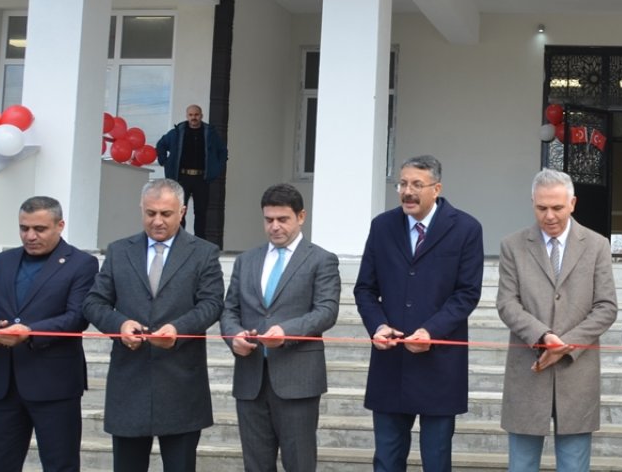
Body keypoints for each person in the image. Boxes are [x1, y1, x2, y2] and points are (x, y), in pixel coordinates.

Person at [83, 178, 225, 472]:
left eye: (166, 214)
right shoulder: (119, 251)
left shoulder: (204, 253)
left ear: (183, 211)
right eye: (150, 213)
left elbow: (211, 304)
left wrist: (178, 329)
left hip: (181, 382)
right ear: (141, 210)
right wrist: (119, 325)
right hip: (129, 380)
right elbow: (94, 303)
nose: (157, 221)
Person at [355, 155, 484, 472]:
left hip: (439, 363)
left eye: (416, 184)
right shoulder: (382, 226)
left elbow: (467, 293)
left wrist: (431, 331)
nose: (407, 192)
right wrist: (378, 326)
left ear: (436, 188)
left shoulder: (466, 228)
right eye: (402, 184)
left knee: (436, 459)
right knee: (386, 459)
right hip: (391, 361)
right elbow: (365, 289)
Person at [496, 168, 618, 471]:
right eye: (541, 208)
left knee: (574, 465)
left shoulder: (597, 244)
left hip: (576, 372)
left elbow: (606, 307)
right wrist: (543, 337)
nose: (549, 216)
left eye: (557, 208)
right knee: (521, 465)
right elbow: (507, 303)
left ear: (573, 203)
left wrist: (565, 345)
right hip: (528, 371)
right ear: (533, 203)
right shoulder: (513, 245)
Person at [0, 197, 99, 472]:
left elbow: (77, 317)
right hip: (3, 385)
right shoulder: (3, 261)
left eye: (39, 229)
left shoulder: (81, 264)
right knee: (0, 465)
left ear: (60, 225)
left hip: (54, 385)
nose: (30, 236)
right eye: (24, 228)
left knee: (60, 464)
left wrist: (30, 332)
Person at [220, 183, 341, 472]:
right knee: (256, 465)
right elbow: (229, 310)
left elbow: (326, 311)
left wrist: (286, 332)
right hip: (250, 379)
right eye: (268, 219)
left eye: (282, 219)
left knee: (299, 463)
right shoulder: (246, 260)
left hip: (297, 380)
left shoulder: (321, 260)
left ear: (301, 217)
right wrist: (233, 336)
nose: (274, 227)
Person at [155, 104, 228, 242]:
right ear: (187, 116)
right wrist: (164, 161)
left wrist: (217, 168)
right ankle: (180, 240)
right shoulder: (178, 132)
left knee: (201, 212)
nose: (193, 118)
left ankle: (199, 242)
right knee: (179, 211)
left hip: (202, 178)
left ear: (201, 115)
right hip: (182, 177)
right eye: (191, 115)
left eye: (196, 115)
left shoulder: (210, 133)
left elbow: (222, 151)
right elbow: (161, 145)